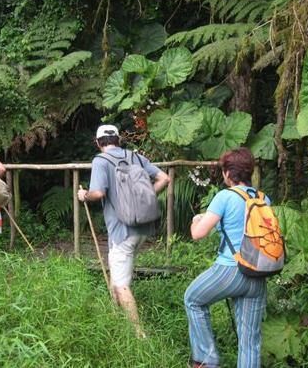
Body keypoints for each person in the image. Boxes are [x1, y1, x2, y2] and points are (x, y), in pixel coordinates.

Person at [77, 124, 170, 338]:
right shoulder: (135, 157)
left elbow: (98, 193)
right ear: (118, 139)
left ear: (98, 142)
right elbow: (165, 178)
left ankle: (138, 335)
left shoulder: (100, 161)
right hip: (143, 228)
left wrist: (84, 196)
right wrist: (146, 198)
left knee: (121, 285)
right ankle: (114, 316)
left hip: (122, 230)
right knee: (116, 267)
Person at [184, 148, 269, 368]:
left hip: (231, 270)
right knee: (250, 340)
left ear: (228, 174)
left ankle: (206, 361)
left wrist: (195, 219)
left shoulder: (225, 196)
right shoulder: (263, 198)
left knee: (192, 299)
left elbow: (198, 233)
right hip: (258, 273)